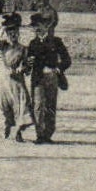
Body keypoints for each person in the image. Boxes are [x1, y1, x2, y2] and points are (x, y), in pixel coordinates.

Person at [24, 13, 72, 144]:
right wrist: (28, 63)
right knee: (38, 106)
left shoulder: (56, 41)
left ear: (45, 26)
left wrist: (59, 68)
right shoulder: (32, 44)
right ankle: (39, 135)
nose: (36, 29)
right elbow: (27, 66)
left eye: (38, 26)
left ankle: (48, 135)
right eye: (33, 27)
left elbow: (67, 60)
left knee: (50, 106)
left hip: (52, 78)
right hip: (38, 78)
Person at [0, 13, 33, 142]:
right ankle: (7, 127)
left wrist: (21, 69)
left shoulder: (24, 49)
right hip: (5, 80)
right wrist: (0, 32)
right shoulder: (3, 46)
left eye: (15, 32)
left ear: (18, 33)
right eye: (10, 32)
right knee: (5, 106)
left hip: (17, 81)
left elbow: (28, 67)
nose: (13, 35)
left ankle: (18, 132)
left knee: (22, 105)